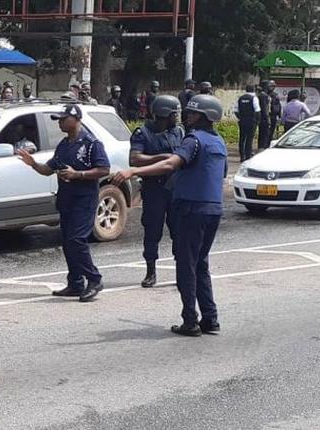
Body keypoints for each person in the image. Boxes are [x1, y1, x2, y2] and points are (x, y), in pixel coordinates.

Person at [112, 94, 227, 337]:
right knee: (200, 263)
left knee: (186, 266)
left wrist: (133, 170)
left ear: (204, 117)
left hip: (191, 208)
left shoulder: (192, 140)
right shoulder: (219, 142)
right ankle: (210, 317)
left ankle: (190, 320)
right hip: (213, 209)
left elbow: (169, 165)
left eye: (192, 114)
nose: (187, 117)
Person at [18, 105, 110, 302]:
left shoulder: (92, 144)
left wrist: (78, 174)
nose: (59, 122)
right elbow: (48, 169)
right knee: (68, 242)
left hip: (84, 200)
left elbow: (104, 169)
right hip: (66, 199)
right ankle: (75, 282)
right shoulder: (64, 145)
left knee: (77, 240)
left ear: (76, 119)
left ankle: (94, 279)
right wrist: (33, 163)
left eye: (63, 119)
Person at [129, 95, 184, 288]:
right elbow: (134, 159)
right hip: (154, 189)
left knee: (179, 231)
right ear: (163, 113)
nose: (176, 117)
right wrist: (162, 157)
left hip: (175, 189)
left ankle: (181, 271)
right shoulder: (142, 133)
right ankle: (150, 271)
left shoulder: (178, 132)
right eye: (173, 114)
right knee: (152, 231)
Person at [233, 84, 261, 162]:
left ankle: (242, 156)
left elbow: (235, 110)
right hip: (251, 121)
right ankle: (248, 155)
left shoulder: (240, 98)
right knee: (249, 139)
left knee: (242, 138)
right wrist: (257, 121)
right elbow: (257, 111)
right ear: (254, 90)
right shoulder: (254, 98)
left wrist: (241, 117)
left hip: (242, 121)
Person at [257, 80, 272, 150]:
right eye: (269, 86)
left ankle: (261, 147)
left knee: (263, 133)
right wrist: (267, 119)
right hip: (264, 118)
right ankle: (262, 148)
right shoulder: (263, 96)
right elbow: (264, 108)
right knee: (264, 134)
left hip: (263, 118)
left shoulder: (262, 95)